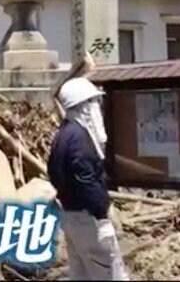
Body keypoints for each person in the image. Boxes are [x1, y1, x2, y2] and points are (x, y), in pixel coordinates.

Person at [48, 77, 129, 281]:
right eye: (93, 102)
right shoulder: (79, 138)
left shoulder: (63, 135)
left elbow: (54, 173)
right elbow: (87, 181)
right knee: (110, 275)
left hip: (71, 216)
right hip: (89, 220)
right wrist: (103, 210)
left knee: (82, 274)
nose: (97, 107)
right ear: (83, 106)